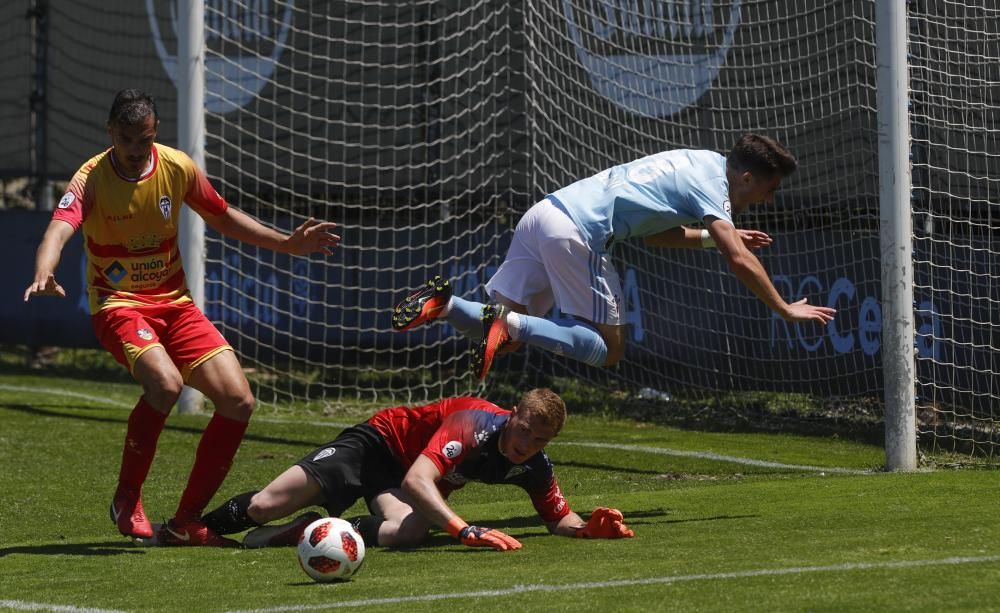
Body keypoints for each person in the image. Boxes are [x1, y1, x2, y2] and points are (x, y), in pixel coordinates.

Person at [22, 89, 340, 546]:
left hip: (176, 304)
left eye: (145, 140)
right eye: (128, 140)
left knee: (238, 401)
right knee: (166, 384)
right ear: (111, 133)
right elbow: (58, 228)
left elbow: (224, 216)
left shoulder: (176, 166)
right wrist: (44, 269)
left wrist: (286, 244)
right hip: (119, 304)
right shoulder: (90, 178)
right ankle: (127, 497)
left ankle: (186, 522)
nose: (137, 151)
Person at [392, 133, 836, 380]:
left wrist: (708, 239)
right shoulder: (712, 187)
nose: (767, 199)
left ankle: (445, 305)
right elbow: (738, 259)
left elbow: (657, 237)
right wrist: (783, 308)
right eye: (768, 189)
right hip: (578, 233)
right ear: (744, 176)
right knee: (607, 349)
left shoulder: (700, 161)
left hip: (544, 214)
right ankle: (507, 321)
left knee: (501, 345)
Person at [197, 388, 634, 549]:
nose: (526, 445)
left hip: (401, 479)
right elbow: (417, 480)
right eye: (523, 431)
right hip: (376, 445)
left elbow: (558, 517)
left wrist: (586, 529)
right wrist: (465, 530)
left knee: (410, 532)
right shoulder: (474, 425)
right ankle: (193, 528)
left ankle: (316, 531)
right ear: (512, 413)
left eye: (539, 440)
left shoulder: (534, 464)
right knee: (264, 505)